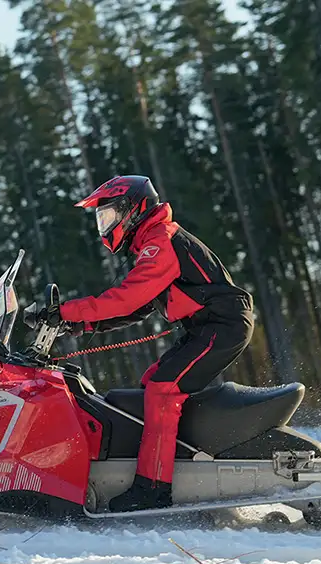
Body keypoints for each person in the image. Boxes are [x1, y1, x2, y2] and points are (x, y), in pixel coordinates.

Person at [39, 175, 254, 512]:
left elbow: (126, 299)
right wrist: (76, 321)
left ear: (132, 210)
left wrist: (67, 311)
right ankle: (176, 460)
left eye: (108, 216)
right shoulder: (151, 241)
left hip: (223, 326)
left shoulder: (160, 241)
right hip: (207, 328)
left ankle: (153, 488)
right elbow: (137, 308)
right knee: (151, 384)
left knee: (163, 389)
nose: (104, 226)